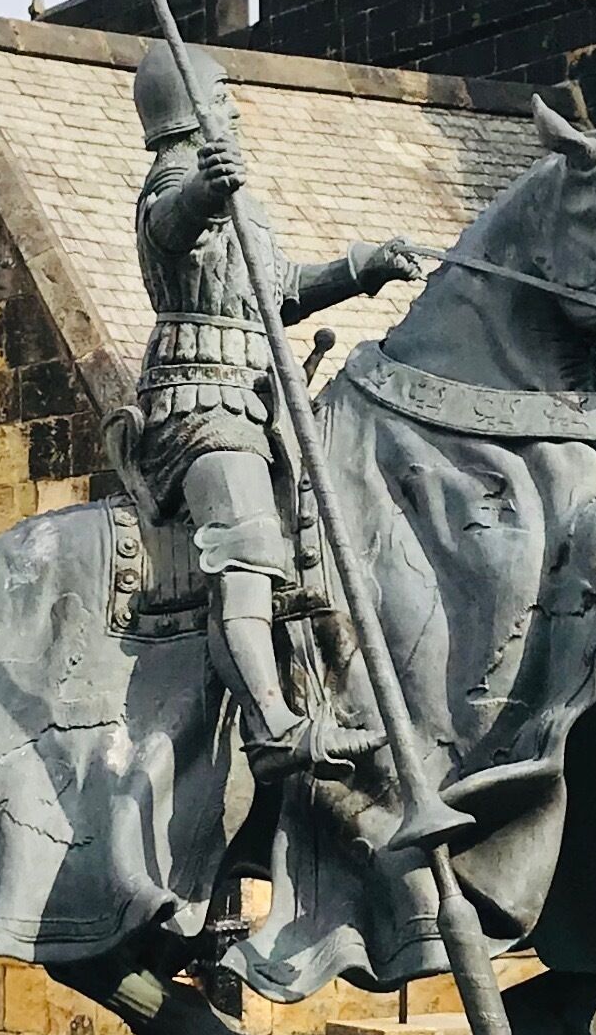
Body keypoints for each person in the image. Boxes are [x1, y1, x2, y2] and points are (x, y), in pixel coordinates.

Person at [129, 43, 424, 778]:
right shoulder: (172, 181)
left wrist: (363, 267)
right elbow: (171, 227)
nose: (232, 108)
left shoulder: (244, 203)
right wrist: (202, 189)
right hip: (197, 399)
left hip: (260, 397)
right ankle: (273, 726)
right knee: (247, 542)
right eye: (221, 97)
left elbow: (278, 289)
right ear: (190, 108)